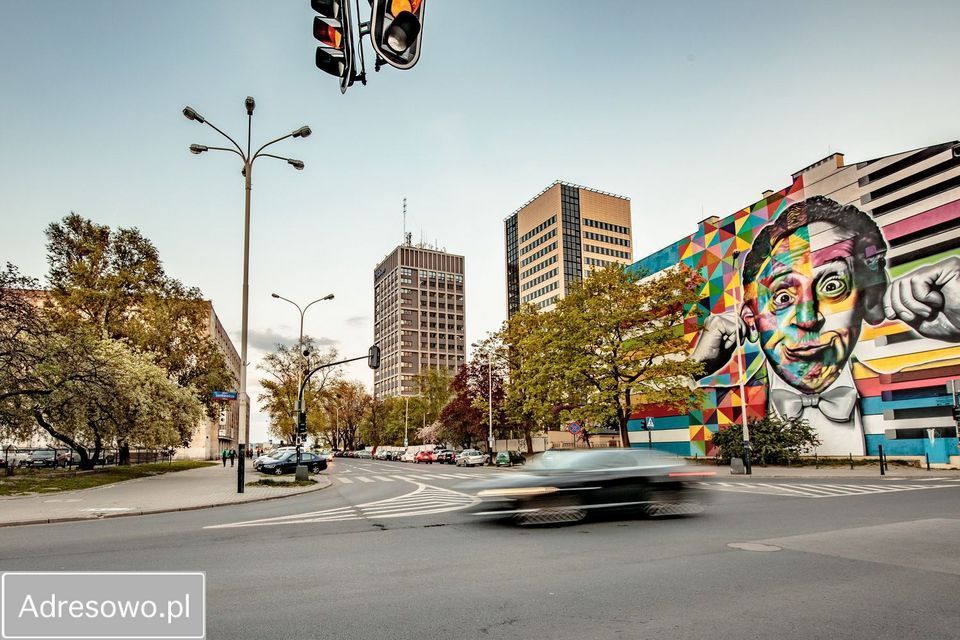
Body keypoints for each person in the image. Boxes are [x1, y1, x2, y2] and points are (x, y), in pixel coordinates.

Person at [692, 196, 960, 455]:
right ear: (751, 320)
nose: (808, 319)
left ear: (871, 299)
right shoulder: (726, 405)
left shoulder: (912, 390)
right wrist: (694, 369)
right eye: (782, 297)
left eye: (832, 286)